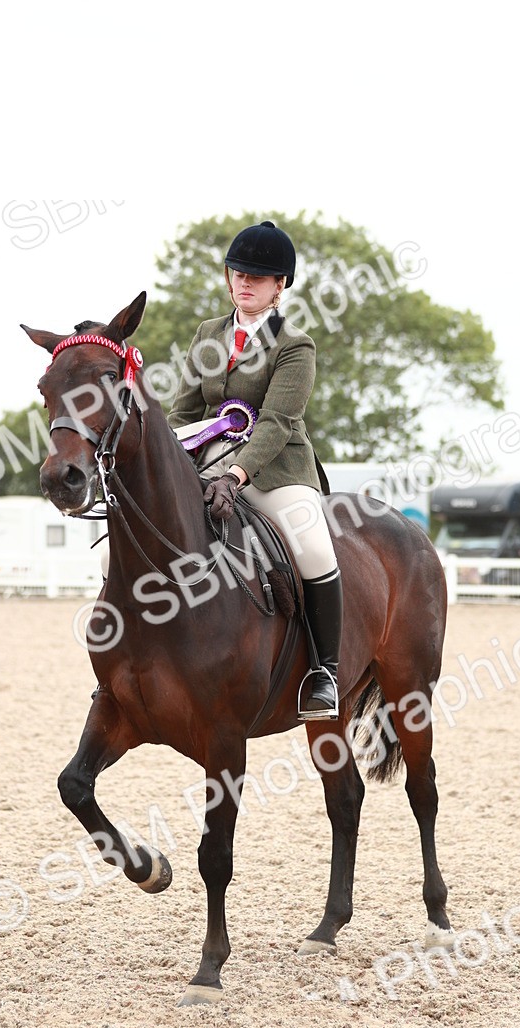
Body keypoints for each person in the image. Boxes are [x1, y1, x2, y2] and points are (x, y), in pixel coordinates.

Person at [167, 220, 343, 720]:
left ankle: (324, 673)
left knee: (311, 547)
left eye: (258, 278)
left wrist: (235, 476)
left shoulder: (295, 345)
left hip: (274, 470)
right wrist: (180, 462)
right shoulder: (208, 334)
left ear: (279, 285)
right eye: (238, 273)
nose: (244, 282)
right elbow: (182, 412)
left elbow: (277, 422)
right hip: (203, 463)